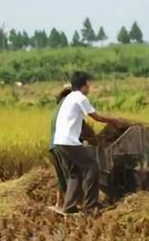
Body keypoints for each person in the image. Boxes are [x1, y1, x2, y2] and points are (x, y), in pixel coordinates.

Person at [53, 71, 122, 215]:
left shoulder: (68, 98)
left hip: (59, 142)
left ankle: (69, 206)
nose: (89, 87)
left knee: (75, 172)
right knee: (92, 166)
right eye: (88, 84)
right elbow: (95, 117)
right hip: (69, 142)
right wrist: (113, 120)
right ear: (83, 86)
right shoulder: (80, 98)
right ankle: (91, 207)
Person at [49, 84, 72, 209]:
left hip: (53, 146)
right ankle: (72, 204)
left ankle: (59, 202)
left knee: (61, 175)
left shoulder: (57, 108)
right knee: (72, 174)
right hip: (63, 144)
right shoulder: (68, 107)